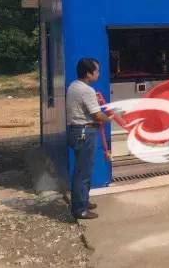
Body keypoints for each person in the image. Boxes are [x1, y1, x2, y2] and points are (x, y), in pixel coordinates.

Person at [66, 58, 110, 219]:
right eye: (97, 71)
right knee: (83, 172)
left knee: (83, 170)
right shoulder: (87, 90)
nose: (99, 74)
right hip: (85, 133)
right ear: (88, 73)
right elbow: (97, 115)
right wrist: (112, 117)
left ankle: (83, 201)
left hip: (77, 131)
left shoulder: (74, 85)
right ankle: (80, 209)